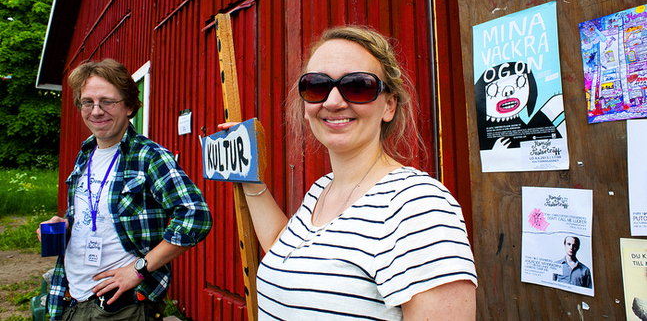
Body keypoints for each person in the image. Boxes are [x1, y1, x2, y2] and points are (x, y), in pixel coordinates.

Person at [220, 26, 477, 320]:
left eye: (357, 86)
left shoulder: (417, 204)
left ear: (389, 105)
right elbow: (288, 251)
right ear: (306, 106)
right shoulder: (322, 189)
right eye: (316, 86)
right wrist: (250, 178)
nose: (332, 101)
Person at [37, 59, 212, 321]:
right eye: (88, 102)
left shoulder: (149, 157)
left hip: (117, 307)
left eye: (107, 101)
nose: (96, 111)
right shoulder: (86, 154)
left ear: (129, 106)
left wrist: (139, 269)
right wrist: (66, 225)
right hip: (68, 297)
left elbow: (196, 217)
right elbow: (100, 215)